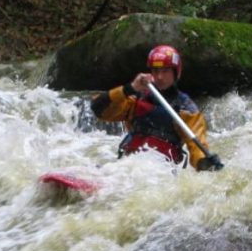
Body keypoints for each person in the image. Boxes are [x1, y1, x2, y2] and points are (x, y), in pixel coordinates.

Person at [90, 44, 224, 171]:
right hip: (128, 164)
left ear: (175, 72)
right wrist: (129, 88)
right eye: (155, 71)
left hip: (159, 173)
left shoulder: (186, 108)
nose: (160, 77)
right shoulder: (135, 98)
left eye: (165, 71)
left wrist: (203, 162)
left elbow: (196, 144)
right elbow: (99, 109)